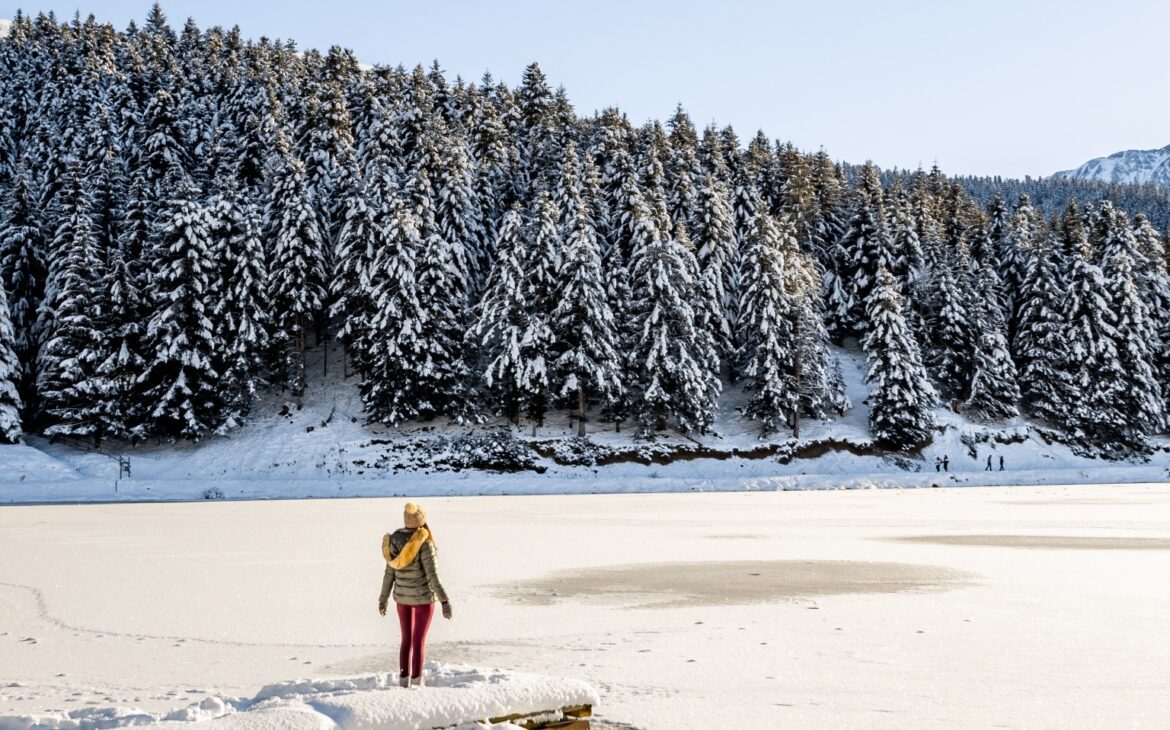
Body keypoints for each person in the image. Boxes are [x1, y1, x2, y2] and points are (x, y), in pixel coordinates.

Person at [379, 503, 452, 688]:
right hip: (423, 600)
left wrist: (383, 599)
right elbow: (432, 576)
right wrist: (444, 600)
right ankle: (417, 682)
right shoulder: (425, 543)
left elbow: (390, 573)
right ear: (422, 520)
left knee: (406, 640)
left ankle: (403, 682)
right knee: (418, 641)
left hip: (402, 599)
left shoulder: (394, 541)